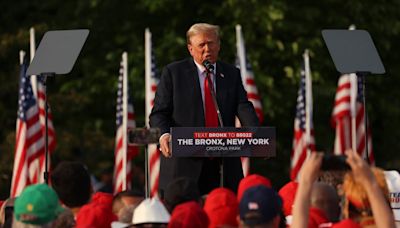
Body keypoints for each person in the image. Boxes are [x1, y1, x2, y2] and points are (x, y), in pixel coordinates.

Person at [149, 23, 259, 196]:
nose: (207, 48)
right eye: (201, 45)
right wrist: (164, 134)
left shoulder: (231, 74)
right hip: (185, 166)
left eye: (211, 43)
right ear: (190, 49)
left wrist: (257, 136)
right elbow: (159, 114)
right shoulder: (174, 73)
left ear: (219, 45)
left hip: (223, 163)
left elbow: (243, 106)